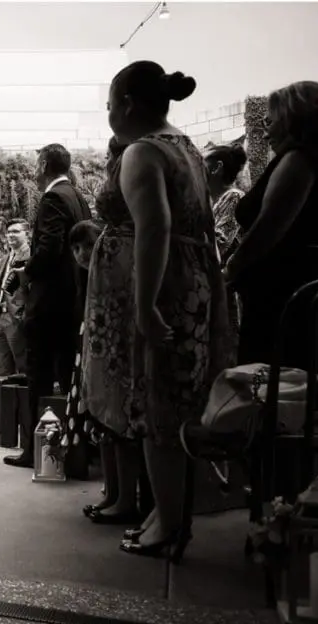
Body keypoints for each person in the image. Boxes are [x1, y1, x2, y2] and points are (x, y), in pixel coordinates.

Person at [86, 61, 231, 557]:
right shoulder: (184, 146)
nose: (108, 114)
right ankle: (166, 512)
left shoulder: (143, 151)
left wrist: (146, 304)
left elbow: (155, 227)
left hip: (162, 289)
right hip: (190, 282)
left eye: (109, 104)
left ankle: (169, 523)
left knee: (156, 406)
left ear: (127, 103)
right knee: (174, 401)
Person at [227, 81, 318, 372]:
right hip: (312, 292)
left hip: (283, 299)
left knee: (271, 389)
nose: (265, 132)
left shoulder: (299, 159)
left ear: (294, 118)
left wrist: (230, 269)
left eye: (271, 121)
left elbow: (270, 227)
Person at [5, 143, 93, 468]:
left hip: (50, 305)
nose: (33, 171)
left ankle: (34, 451)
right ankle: (72, 450)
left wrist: (25, 272)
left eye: (35, 164)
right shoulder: (79, 197)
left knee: (37, 376)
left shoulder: (53, 199)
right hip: (72, 301)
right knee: (70, 377)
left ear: (43, 164)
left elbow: (49, 249)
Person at [64, 218, 153, 524]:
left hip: (112, 355)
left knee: (116, 424)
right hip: (91, 356)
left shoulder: (117, 277)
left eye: (88, 246)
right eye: (76, 248)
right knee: (100, 425)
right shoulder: (84, 283)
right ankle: (111, 493)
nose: (82, 253)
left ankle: (124, 497)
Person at [204, 143, 248, 352]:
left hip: (229, 288)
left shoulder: (233, 198)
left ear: (216, 168)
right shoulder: (212, 202)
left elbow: (219, 244)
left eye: (202, 162)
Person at [0, 221, 30, 376]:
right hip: (0, 316)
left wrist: (21, 314)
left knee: (23, 365)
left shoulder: (30, 256)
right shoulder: (6, 258)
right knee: (4, 369)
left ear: (27, 234)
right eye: (8, 232)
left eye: (16, 231)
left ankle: (26, 399)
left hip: (17, 317)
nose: (10, 235)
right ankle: (6, 399)